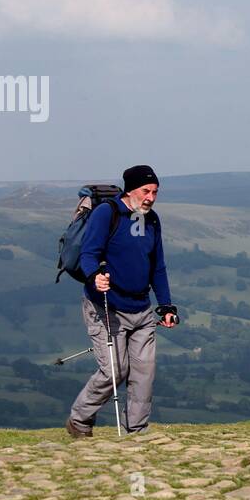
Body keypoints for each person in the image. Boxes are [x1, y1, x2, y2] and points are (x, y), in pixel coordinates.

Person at [66, 165, 177, 438]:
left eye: (155, 192)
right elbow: (89, 254)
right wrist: (94, 277)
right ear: (130, 190)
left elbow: (157, 266)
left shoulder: (152, 220)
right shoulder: (108, 214)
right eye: (145, 191)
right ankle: (79, 419)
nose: (150, 197)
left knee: (144, 374)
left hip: (141, 309)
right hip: (105, 307)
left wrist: (166, 305)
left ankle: (136, 432)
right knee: (114, 372)